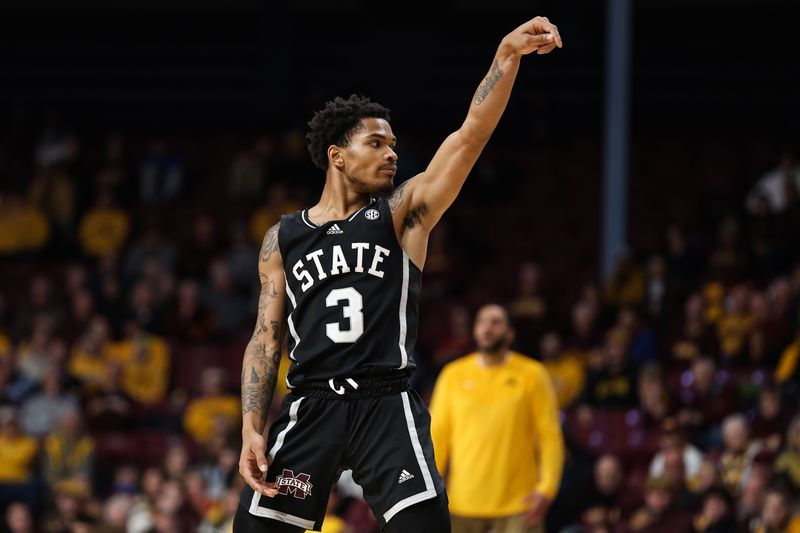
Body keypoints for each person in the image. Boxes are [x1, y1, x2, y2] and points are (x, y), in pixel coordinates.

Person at [233, 15, 563, 533]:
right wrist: (252, 427)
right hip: (311, 403)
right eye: (377, 144)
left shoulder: (401, 212)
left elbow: (469, 138)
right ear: (337, 157)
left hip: (385, 400)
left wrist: (505, 57)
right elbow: (264, 339)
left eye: (394, 144)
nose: (392, 153)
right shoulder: (283, 238)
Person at [429, 304, 564, 532]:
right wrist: (430, 490)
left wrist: (547, 487)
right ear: (474, 331)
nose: (487, 327)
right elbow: (437, 437)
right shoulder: (452, 375)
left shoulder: (533, 374)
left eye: (496, 322)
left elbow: (549, 435)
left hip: (519, 506)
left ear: (510, 333)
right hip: (461, 504)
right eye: (481, 321)